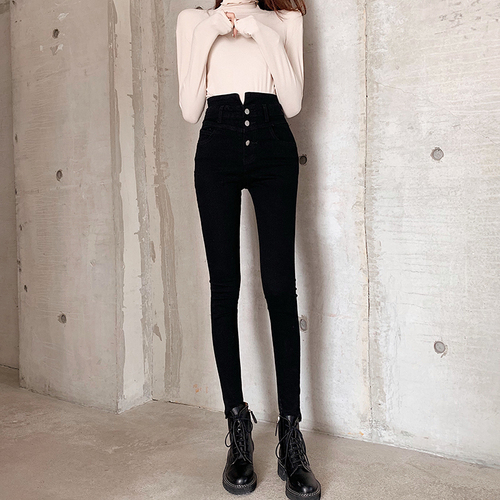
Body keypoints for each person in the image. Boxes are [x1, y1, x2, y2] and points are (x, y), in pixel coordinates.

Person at [176, 1, 321, 498]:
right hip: (216, 143)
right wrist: (211, 30)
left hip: (272, 141)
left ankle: (290, 435)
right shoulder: (193, 21)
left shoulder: (285, 20)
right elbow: (189, 108)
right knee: (225, 288)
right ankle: (238, 429)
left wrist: (264, 32)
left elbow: (294, 103)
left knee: (280, 287)